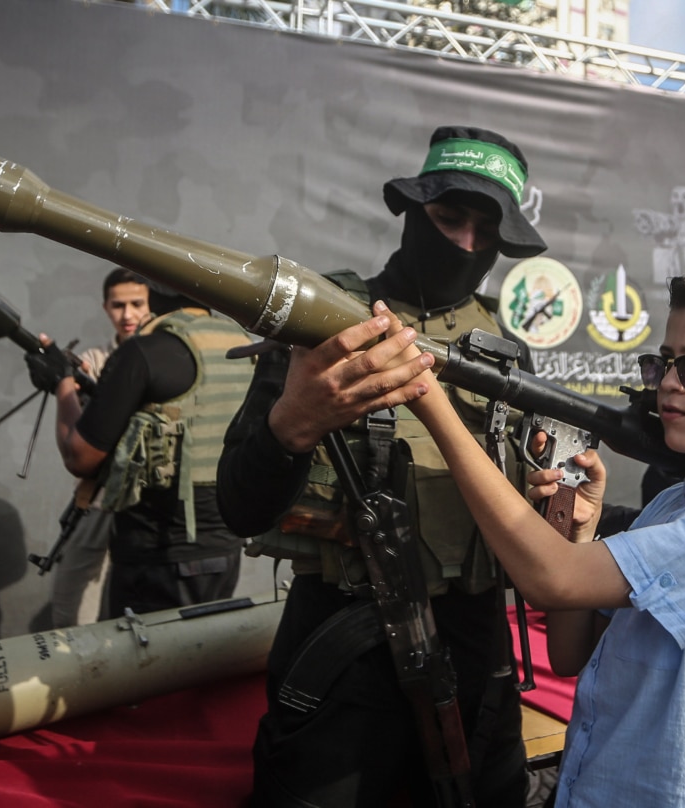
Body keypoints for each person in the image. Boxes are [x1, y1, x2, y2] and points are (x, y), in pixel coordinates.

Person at [385, 262, 685, 805]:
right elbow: (570, 656)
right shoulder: (675, 504)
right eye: (663, 364)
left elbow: (552, 582)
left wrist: (433, 404)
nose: (668, 383)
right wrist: (580, 530)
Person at [217, 125, 548, 807]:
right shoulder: (328, 321)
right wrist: (295, 423)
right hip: (344, 648)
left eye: (485, 230)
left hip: (477, 647)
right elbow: (240, 506)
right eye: (448, 217)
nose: (464, 243)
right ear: (412, 211)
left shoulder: (508, 357)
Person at [29, 281, 252, 618]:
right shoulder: (242, 345)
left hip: (158, 557)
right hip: (226, 547)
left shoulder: (144, 351)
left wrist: (63, 384)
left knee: (152, 664)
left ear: (155, 293)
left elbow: (80, 456)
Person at [46, 268, 150, 628]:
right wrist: (68, 383)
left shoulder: (162, 356)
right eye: (118, 305)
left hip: (149, 503)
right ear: (105, 307)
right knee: (70, 603)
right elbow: (78, 441)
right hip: (100, 497)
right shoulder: (96, 359)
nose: (128, 315)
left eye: (137, 304)